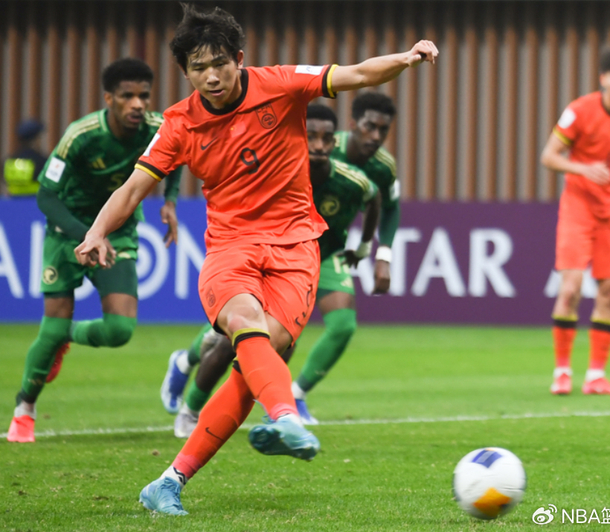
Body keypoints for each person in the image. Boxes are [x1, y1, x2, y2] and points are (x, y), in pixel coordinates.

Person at [74, 3, 437, 515]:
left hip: (297, 247)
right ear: (185, 72)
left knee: (257, 360)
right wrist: (95, 232)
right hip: (231, 248)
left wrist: (407, 57)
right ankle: (286, 416)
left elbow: (356, 74)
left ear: (239, 59)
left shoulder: (281, 85)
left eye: (220, 63)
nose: (211, 76)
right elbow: (133, 188)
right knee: (246, 324)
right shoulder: (178, 124)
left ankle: (169, 481)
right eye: (198, 67)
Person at [161, 103, 381, 437]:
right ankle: (190, 407)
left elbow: (375, 198)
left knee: (297, 339)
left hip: (320, 255)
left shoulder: (351, 180)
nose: (318, 145)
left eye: (325, 138)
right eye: (310, 136)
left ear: (334, 142)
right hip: (269, 256)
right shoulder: (274, 168)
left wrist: (365, 246)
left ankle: (289, 401)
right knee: (231, 342)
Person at [6, 58, 182, 444]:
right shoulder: (80, 135)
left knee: (119, 330)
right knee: (51, 322)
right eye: (128, 96)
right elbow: (46, 196)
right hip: (66, 232)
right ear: (109, 98)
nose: (138, 104)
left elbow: (179, 156)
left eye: (144, 96)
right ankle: (24, 410)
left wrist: (170, 200)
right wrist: (86, 234)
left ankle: (63, 335)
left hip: (118, 233)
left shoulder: (158, 129)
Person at [540, 47, 610, 396]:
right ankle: (562, 371)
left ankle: (595, 376)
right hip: (579, 204)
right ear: (604, 78)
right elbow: (548, 157)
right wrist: (582, 168)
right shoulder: (579, 110)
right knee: (571, 288)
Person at [293, 92, 399, 422]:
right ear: (353, 124)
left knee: (343, 325)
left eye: (383, 130)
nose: (376, 136)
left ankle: (295, 395)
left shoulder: (383, 167)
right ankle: (187, 362)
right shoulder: (320, 146)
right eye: (369, 126)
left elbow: (389, 206)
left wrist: (381, 254)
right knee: (233, 331)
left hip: (328, 250)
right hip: (287, 248)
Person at [2, 119, 48, 197]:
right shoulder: (42, 161)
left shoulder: (8, 162)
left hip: (13, 202)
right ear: (36, 139)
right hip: (35, 201)